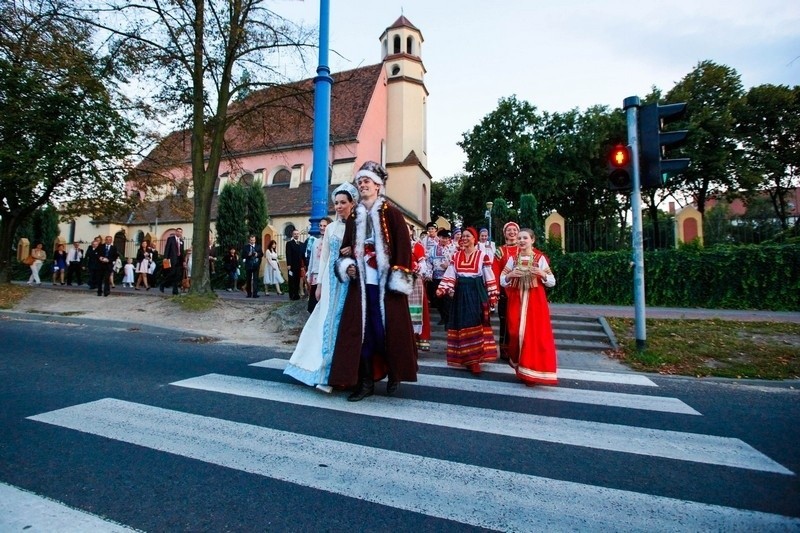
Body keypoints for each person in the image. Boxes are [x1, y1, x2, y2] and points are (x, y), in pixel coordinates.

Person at [329, 161, 418, 401]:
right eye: (360, 182)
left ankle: (394, 373)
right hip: (361, 287)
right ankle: (365, 382)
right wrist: (347, 267)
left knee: (386, 332)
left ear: (378, 185)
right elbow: (344, 250)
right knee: (361, 334)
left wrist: (397, 278)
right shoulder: (355, 216)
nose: (363, 185)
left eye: (366, 181)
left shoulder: (392, 213)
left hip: (386, 287)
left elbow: (403, 250)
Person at [284, 183, 357, 393]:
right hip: (332, 283)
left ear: (352, 203)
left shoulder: (360, 226)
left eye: (343, 202)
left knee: (343, 327)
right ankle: (322, 372)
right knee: (324, 324)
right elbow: (325, 258)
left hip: (350, 285)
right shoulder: (332, 228)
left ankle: (340, 374)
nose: (339, 206)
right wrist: (320, 284)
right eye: (336, 203)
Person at [436, 227, 499, 375]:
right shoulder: (456, 256)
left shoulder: (482, 256)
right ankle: (465, 357)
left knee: (474, 323)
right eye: (462, 236)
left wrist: (492, 295)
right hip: (460, 294)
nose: (464, 238)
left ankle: (475, 360)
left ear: (474, 239)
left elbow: (489, 276)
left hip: (475, 293)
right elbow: (451, 274)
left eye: (468, 236)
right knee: (461, 324)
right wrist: (444, 288)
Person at [499, 228, 558, 385]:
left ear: (532, 240)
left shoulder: (540, 259)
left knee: (534, 336)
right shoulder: (513, 259)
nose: (522, 240)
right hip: (516, 300)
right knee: (516, 333)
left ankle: (531, 372)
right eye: (520, 238)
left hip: (535, 302)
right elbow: (502, 279)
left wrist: (542, 273)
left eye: (525, 237)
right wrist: (511, 275)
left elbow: (552, 282)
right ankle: (521, 367)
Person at [493, 221, 521, 360]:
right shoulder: (500, 251)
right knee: (504, 321)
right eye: (509, 230)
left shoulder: (524, 249)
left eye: (514, 230)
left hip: (521, 291)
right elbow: (495, 271)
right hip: (505, 291)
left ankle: (518, 349)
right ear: (505, 233)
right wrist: (496, 291)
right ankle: (504, 349)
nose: (512, 232)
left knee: (519, 320)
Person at [409, 225, 432, 351]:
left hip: (413, 280)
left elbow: (423, 265)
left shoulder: (416, 246)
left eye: (408, 229)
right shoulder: (394, 245)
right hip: (398, 281)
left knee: (416, 311)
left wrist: (413, 267)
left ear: (412, 231)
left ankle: (417, 338)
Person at [305, 217, 331, 312]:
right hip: (315, 275)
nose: (322, 227)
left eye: (324, 226)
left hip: (325, 276)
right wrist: (309, 273)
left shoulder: (331, 242)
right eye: (320, 225)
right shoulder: (315, 242)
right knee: (313, 306)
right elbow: (312, 259)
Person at [160, 228, 185, 295]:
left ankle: (175, 291)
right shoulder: (171, 239)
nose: (179, 233)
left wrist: (184, 261)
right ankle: (163, 284)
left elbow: (182, 252)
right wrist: (165, 258)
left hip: (179, 260)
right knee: (171, 273)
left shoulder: (182, 241)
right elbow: (167, 248)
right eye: (178, 231)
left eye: (180, 232)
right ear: (175, 232)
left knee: (177, 276)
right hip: (172, 259)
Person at [285, 229, 306, 300]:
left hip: (299, 265)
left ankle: (296, 294)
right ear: (292, 235)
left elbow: (303, 255)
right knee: (292, 280)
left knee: (297, 280)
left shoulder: (302, 244)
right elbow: (288, 254)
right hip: (291, 266)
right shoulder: (289, 243)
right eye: (295, 234)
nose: (296, 235)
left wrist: (305, 264)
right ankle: (292, 295)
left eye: (297, 234)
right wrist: (288, 264)